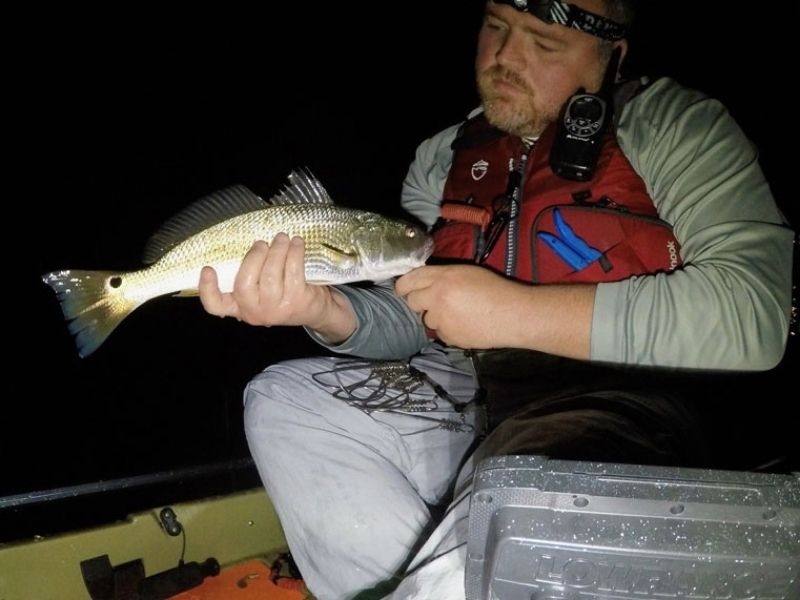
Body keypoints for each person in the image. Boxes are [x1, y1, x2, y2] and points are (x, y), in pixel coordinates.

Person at [198, 1, 795, 598]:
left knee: (505, 519)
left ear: (612, 58)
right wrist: (322, 311)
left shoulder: (672, 125)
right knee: (284, 400)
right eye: (497, 27)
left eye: (545, 41)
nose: (506, 57)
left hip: (619, 403)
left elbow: (755, 312)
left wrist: (508, 312)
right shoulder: (444, 155)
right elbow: (413, 316)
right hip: (469, 392)